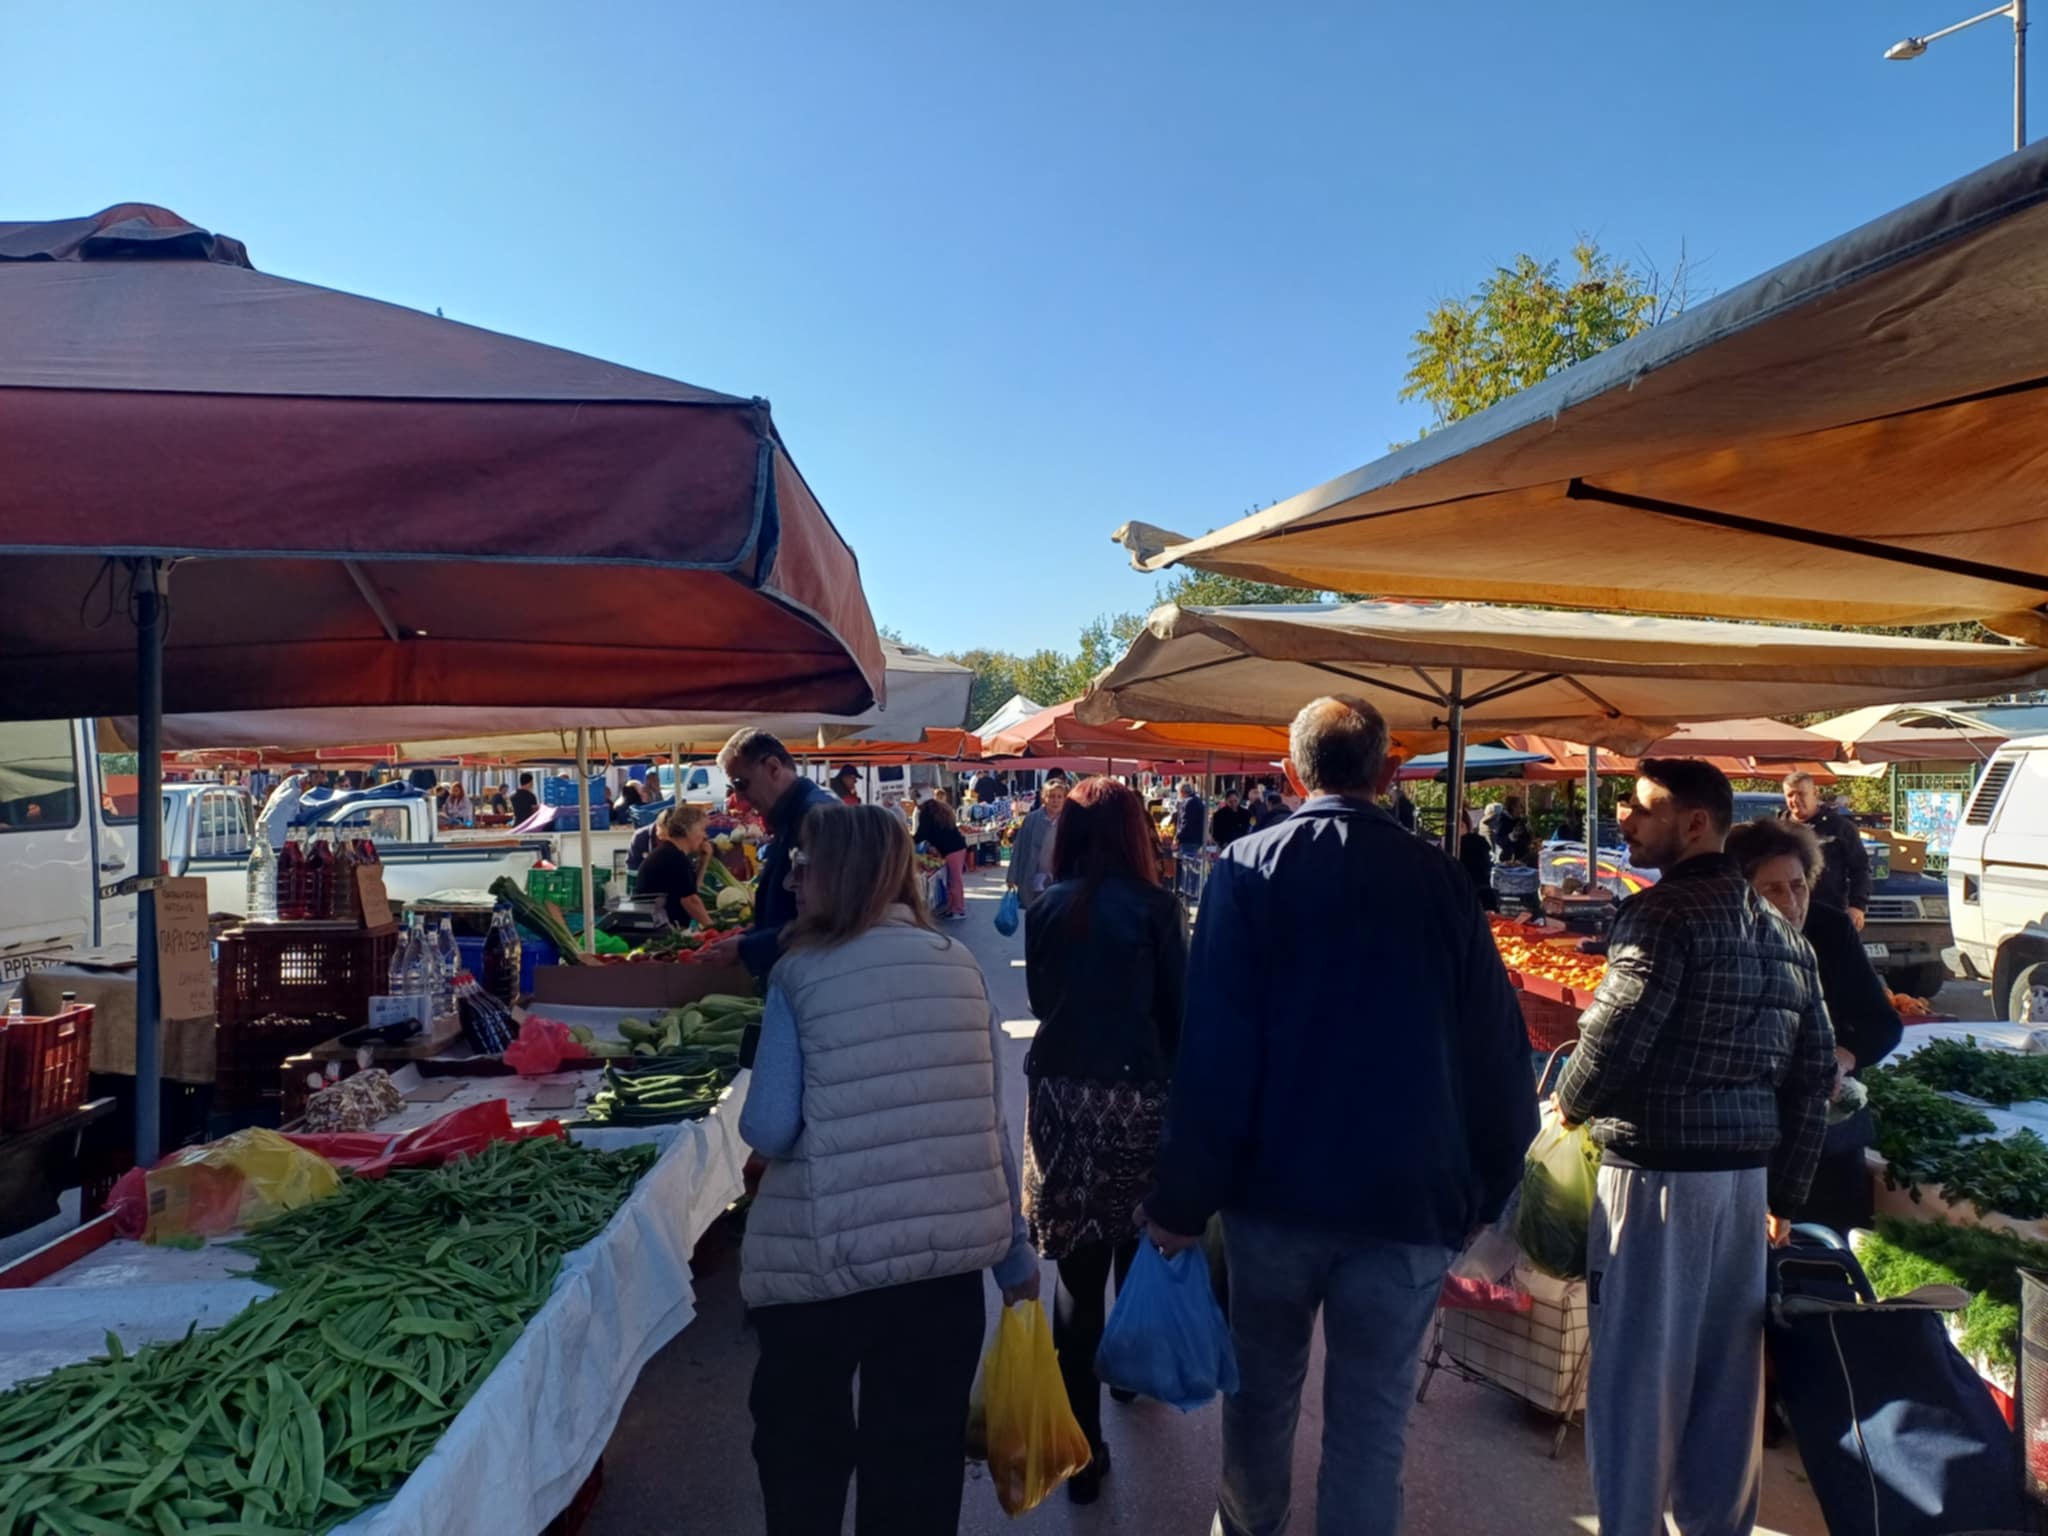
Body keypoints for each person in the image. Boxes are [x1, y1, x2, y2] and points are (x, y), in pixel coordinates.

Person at [1141, 697, 1536, 1535]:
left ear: (1292, 774)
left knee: (1259, 1400)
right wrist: (1489, 1189)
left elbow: (1213, 1052)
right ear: (1388, 773)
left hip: (1273, 1197)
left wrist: (1181, 1200)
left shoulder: (1246, 870)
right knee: (1371, 1429)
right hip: (1408, 1200)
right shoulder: (1441, 880)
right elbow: (1499, 1051)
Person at [738, 804, 1038, 1536]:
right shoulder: (959, 966)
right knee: (917, 1472)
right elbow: (989, 1121)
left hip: (821, 1262)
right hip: (940, 1271)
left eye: (803, 866)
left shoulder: (798, 974)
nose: (794, 880)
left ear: (837, 875)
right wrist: (1015, 1257)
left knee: (802, 1467)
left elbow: (769, 1126)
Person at [1554, 759, 1835, 1536]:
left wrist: (1568, 1103)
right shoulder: (1786, 937)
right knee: (1726, 1391)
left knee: (1638, 1382)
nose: (1625, 819)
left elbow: (1616, 1035)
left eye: (1642, 807)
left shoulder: (1662, 915)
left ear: (1695, 823)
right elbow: (1815, 1075)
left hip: (1657, 1182)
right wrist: (1784, 1194)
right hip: (1744, 1189)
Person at [1020, 777, 1185, 1504]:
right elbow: (1178, 1015)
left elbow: (1040, 1003)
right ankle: (1126, 1374)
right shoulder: (1156, 908)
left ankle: (1081, 1456)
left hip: (1061, 1099)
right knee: (1132, 1243)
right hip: (1136, 1096)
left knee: (1077, 1275)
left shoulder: (1046, 907)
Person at [1727, 815, 1902, 1235]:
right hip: (1751, 1135)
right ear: (1742, 892)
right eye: (1773, 889)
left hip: (1829, 1133)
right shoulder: (1725, 939)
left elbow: (1882, 1024)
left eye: (1798, 885)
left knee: (1827, 1246)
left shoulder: (1832, 930)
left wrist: (1845, 1056)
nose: (1791, 901)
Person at [701, 729, 841, 981]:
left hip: (812, 978)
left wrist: (750, 947)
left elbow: (828, 920)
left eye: (741, 784)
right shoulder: (795, 815)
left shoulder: (817, 817)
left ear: (773, 768)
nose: (738, 798)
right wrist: (752, 937)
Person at [1783, 770, 1871, 931]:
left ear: (1815, 793)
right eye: (1790, 795)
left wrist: (1857, 906)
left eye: (1801, 794)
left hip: (1829, 912)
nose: (1795, 800)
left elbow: (1860, 868)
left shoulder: (1839, 827)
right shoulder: (1778, 829)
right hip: (1786, 914)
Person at [634, 804, 714, 930]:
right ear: (688, 830)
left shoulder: (673, 853)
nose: (705, 836)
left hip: (663, 925)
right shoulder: (672, 857)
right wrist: (713, 928)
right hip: (658, 929)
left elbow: (692, 890)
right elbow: (690, 901)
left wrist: (704, 861)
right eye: (702, 829)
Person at [1005, 772, 1069, 912]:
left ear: (1065, 799)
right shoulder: (1032, 820)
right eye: (1051, 796)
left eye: (1059, 797)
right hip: (1033, 877)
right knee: (1035, 914)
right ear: (1044, 798)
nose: (1055, 801)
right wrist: (1012, 876)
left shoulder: (1069, 821)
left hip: (1060, 879)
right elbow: (1019, 848)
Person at [914, 789, 969, 922]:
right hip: (957, 846)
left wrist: (909, 841)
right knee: (952, 879)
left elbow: (922, 833)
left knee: (954, 880)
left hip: (951, 849)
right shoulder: (941, 809)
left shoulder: (926, 813)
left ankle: (958, 910)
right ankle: (951, 908)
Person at [1457, 807, 1499, 911]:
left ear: (1462, 825)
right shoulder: (1480, 841)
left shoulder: (1458, 844)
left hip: (1467, 893)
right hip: (1484, 894)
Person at [1490, 794, 1532, 864]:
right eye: (1520, 806)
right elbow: (1499, 840)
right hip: (1509, 859)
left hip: (1523, 858)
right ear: (1513, 807)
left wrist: (1529, 831)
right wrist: (1512, 836)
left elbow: (1527, 839)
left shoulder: (1519, 820)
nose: (1522, 809)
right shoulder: (1502, 821)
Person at [1172, 780, 1207, 855]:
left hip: (1189, 841)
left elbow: (1186, 823)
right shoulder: (1198, 800)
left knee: (1187, 860)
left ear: (1181, 792)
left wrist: (1178, 837)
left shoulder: (1188, 802)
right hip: (1197, 839)